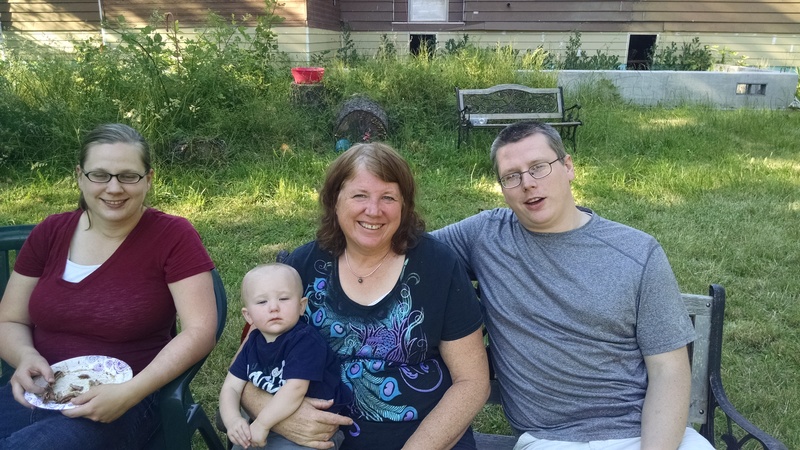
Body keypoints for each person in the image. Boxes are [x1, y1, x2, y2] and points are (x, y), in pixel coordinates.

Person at [432, 121, 714, 450]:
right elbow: (401, 249)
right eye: (512, 176)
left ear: (568, 167)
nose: (527, 184)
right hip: (550, 440)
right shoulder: (484, 236)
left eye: (539, 168)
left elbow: (669, 370)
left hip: (648, 431)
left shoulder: (637, 252)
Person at [239, 142, 490, 450]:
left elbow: (472, 382)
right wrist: (276, 415)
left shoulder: (438, 267)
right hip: (315, 440)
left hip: (425, 439)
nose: (374, 210)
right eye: (359, 195)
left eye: (388, 197)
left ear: (405, 206)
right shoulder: (302, 268)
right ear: (334, 200)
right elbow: (248, 360)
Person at [0, 123, 217, 449]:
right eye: (99, 174)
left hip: (130, 398)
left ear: (148, 179)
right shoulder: (51, 232)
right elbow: (9, 320)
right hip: (43, 389)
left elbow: (200, 330)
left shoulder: (173, 236)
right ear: (80, 176)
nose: (114, 188)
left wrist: (130, 393)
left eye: (128, 175)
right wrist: (24, 355)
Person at [220, 263, 351, 450]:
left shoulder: (305, 341)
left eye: (283, 298)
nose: (273, 307)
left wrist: (262, 424)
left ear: (301, 306)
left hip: (307, 435)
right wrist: (233, 420)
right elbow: (231, 386)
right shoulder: (252, 344)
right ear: (248, 316)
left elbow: (295, 389)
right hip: (265, 425)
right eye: (262, 302)